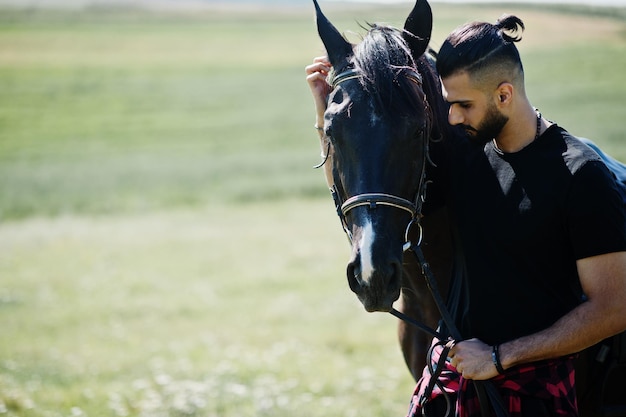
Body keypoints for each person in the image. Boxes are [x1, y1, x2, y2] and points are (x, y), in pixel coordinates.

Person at [305, 13, 626, 417]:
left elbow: (615, 308)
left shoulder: (581, 175)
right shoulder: (464, 159)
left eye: (462, 105)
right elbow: (374, 180)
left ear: (504, 94)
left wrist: (497, 357)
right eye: (446, 103)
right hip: (452, 385)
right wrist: (326, 116)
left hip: (533, 390)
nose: (452, 118)